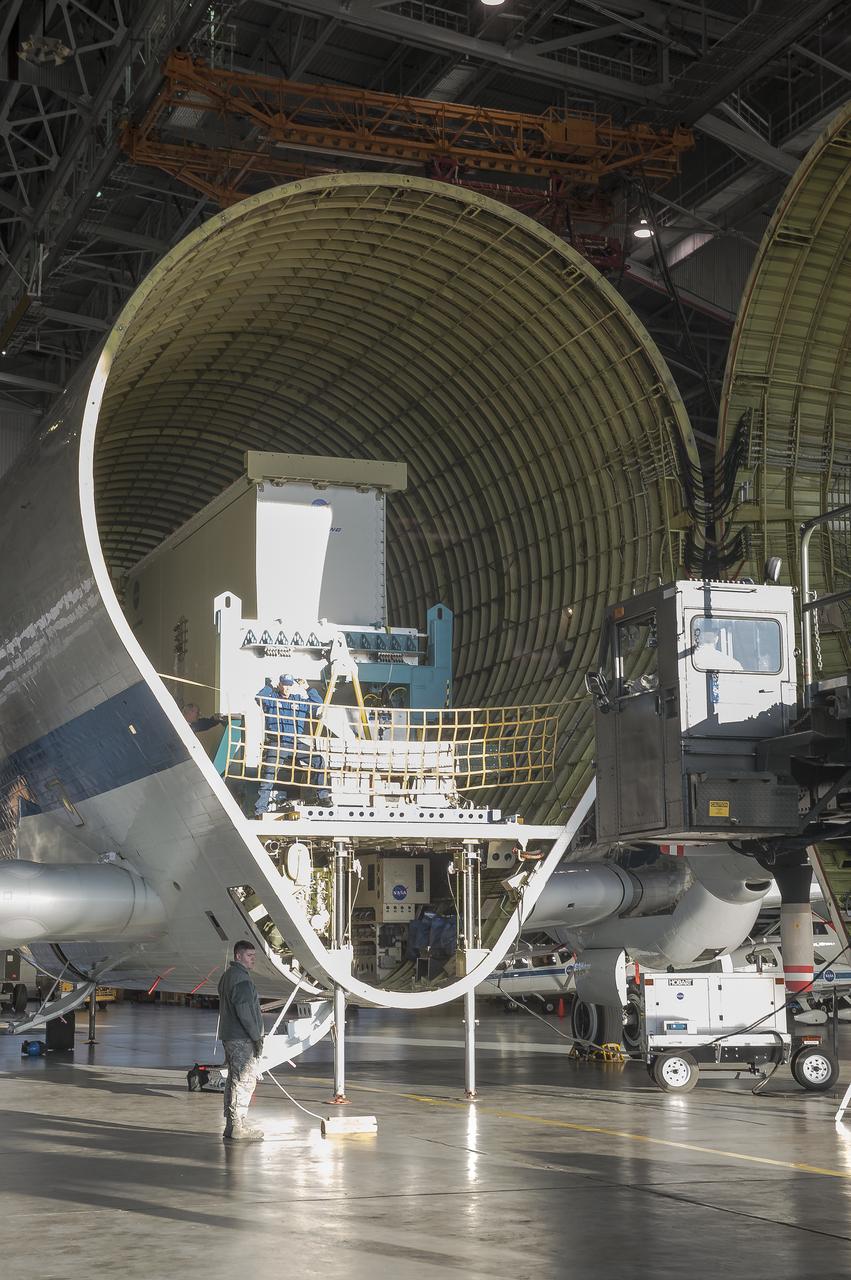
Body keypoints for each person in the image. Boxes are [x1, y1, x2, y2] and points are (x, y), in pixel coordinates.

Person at [217, 940, 265, 1143]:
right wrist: (256, 1037)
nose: (252, 959)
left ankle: (231, 1124)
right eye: (249, 956)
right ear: (238, 956)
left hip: (230, 1034)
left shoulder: (227, 976)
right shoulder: (242, 980)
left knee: (234, 1080)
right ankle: (238, 1126)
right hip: (241, 1037)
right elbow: (245, 1012)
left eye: (254, 956)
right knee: (244, 1080)